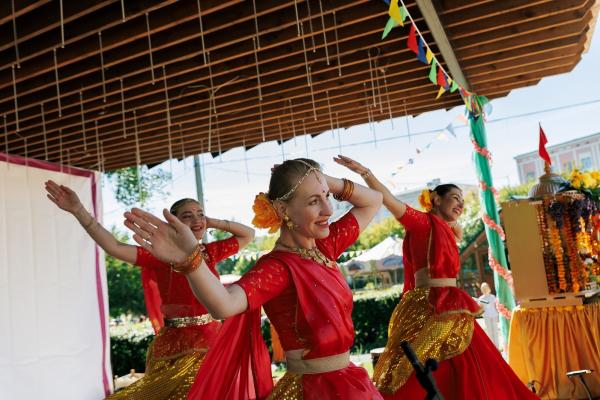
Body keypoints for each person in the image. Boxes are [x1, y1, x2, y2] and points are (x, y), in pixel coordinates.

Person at [122, 158, 384, 399]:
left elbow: (374, 199)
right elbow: (224, 304)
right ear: (282, 209)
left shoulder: (325, 247)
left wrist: (317, 178)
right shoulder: (277, 268)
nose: (328, 209)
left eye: (327, 196)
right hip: (313, 390)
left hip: (350, 381)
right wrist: (190, 261)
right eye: (314, 201)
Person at [335, 155, 537, 400]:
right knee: (419, 369)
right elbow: (388, 199)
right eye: (455, 197)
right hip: (429, 304)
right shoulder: (422, 223)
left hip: (451, 302)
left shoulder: (446, 230)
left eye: (462, 200)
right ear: (436, 199)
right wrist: (365, 172)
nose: (461, 204)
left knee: (475, 365)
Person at [44, 181, 254, 399]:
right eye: (187, 216)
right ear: (173, 224)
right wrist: (79, 211)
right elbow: (114, 246)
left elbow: (248, 234)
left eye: (200, 214)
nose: (197, 219)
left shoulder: (210, 252)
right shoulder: (161, 256)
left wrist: (211, 221)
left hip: (213, 339)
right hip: (176, 345)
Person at [478, 282, 500, 350]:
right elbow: (480, 308)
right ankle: (492, 348)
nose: (485, 289)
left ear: (489, 288)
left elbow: (496, 307)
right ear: (481, 290)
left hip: (494, 316)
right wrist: (482, 314)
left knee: (495, 332)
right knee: (490, 332)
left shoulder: (492, 297)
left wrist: (498, 316)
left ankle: (497, 347)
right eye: (483, 288)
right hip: (487, 317)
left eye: (486, 288)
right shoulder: (481, 298)